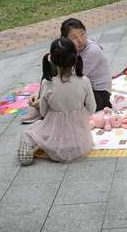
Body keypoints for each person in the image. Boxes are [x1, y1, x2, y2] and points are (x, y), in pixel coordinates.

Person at [17, 38, 96, 166]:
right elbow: (92, 108)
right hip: (80, 144)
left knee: (32, 130)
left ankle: (26, 150)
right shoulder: (84, 81)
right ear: (75, 58)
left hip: (53, 146)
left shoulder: (47, 83)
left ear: (52, 60)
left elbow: (43, 112)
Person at [21, 18, 112, 123]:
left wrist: (47, 98)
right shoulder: (68, 50)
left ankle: (43, 107)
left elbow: (69, 79)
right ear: (65, 40)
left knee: (64, 100)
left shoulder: (92, 51)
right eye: (74, 37)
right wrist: (40, 92)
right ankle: (39, 105)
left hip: (99, 94)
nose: (81, 40)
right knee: (51, 63)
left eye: (83, 34)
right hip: (82, 88)